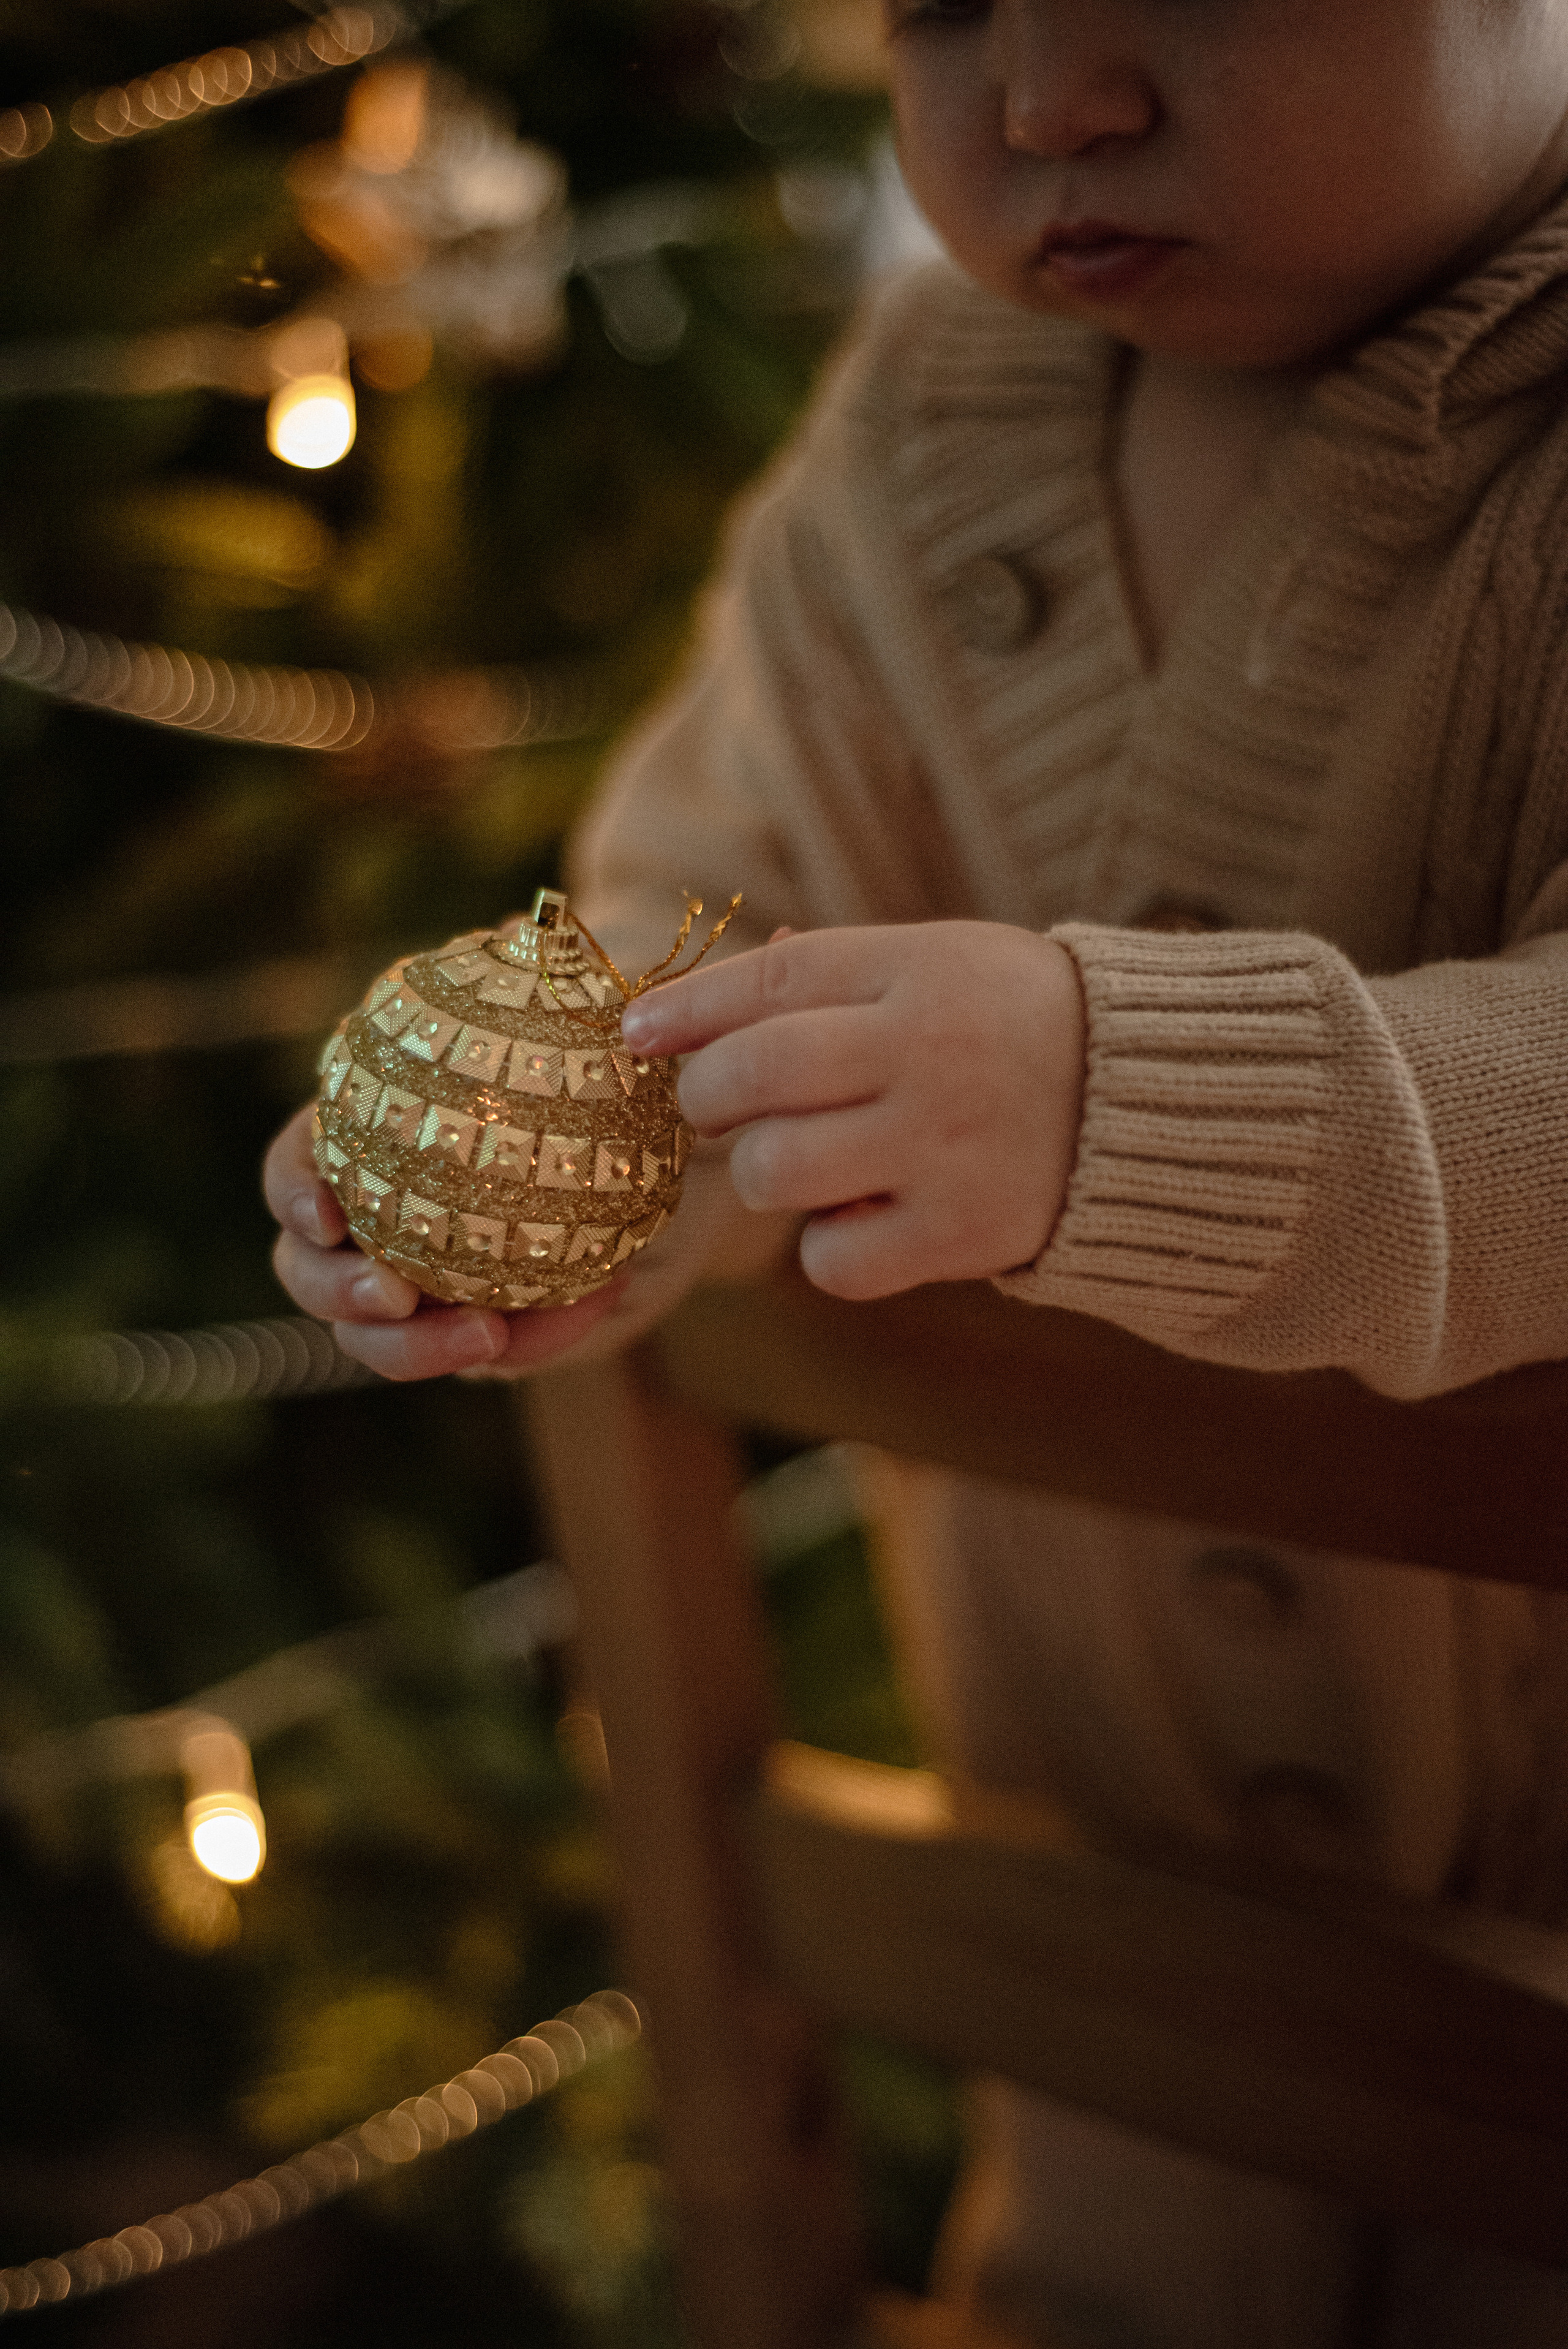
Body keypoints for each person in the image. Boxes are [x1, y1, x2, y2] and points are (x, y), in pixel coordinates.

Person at [266, 2, 1568, 2340]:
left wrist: (1125, 1105)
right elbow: (707, 920)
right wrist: (596, 1155)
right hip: (1101, 2032)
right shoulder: (916, 435)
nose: (1050, 97)